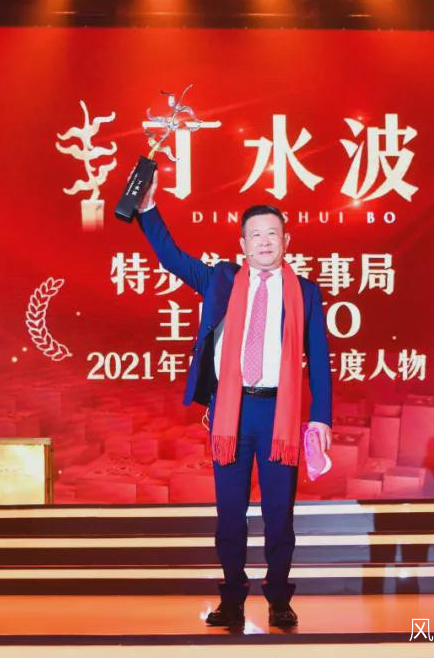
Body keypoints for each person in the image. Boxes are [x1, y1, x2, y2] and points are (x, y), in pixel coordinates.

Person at [136, 177, 332, 629]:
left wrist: (320, 416)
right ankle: (232, 599)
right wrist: (147, 210)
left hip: (278, 414)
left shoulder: (305, 292)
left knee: (279, 515)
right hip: (231, 413)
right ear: (242, 244)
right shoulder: (220, 280)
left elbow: (320, 359)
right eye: (255, 235)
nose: (265, 241)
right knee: (229, 515)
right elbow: (171, 257)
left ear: (286, 241)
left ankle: (279, 598)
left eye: (272, 234)